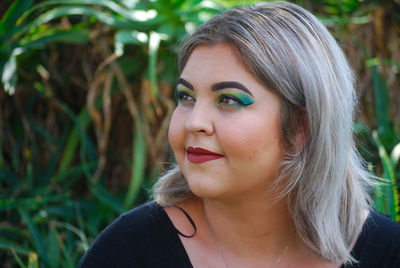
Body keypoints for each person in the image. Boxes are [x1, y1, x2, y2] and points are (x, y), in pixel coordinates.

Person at [77, 1, 400, 267]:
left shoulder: (388, 253)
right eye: (186, 97)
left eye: (229, 99)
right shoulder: (128, 250)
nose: (194, 122)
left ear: (302, 127)